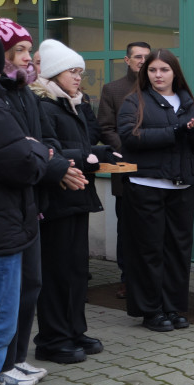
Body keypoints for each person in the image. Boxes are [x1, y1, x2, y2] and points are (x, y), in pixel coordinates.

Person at [0, 20, 80, 383]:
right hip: (10, 206)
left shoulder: (26, 94)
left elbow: (42, 141)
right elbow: (21, 152)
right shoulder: (0, 96)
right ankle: (3, 366)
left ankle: (16, 358)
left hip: (29, 204)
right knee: (6, 296)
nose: (30, 59)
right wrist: (52, 163)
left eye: (30, 51)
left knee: (30, 285)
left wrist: (51, 158)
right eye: (22, 51)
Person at [32, 40, 117, 363]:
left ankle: (74, 329)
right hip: (55, 200)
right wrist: (91, 156)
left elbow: (86, 141)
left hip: (79, 195)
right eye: (72, 71)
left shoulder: (75, 103)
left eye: (80, 72)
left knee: (77, 270)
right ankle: (52, 339)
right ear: (54, 73)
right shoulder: (42, 105)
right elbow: (48, 150)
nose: (79, 77)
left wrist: (97, 153)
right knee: (56, 271)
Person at [117, 49, 194, 332]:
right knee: (150, 251)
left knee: (178, 251)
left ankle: (174, 308)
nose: (158, 75)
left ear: (174, 73)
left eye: (164, 70)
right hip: (146, 185)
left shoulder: (188, 101)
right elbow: (130, 137)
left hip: (181, 187)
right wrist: (176, 131)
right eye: (153, 70)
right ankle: (151, 311)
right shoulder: (135, 101)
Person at [0, 35, 49, 385]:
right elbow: (22, 159)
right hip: (2, 227)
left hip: (12, 219)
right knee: (0, 319)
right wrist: (36, 154)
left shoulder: (15, 96)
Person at [98, 42, 151, 300]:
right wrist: (128, 149)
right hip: (126, 170)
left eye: (147, 57)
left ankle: (151, 279)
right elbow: (105, 128)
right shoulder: (114, 89)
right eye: (138, 57)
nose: (143, 61)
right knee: (127, 230)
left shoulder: (160, 87)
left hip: (156, 170)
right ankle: (127, 278)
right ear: (127, 60)